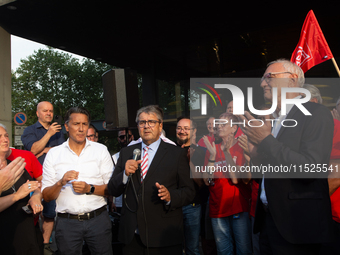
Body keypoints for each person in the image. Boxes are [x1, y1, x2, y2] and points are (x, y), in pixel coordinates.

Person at [238, 59, 334, 254]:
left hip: (297, 225)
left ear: (291, 80)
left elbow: (310, 169)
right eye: (263, 79)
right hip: (268, 222)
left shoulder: (316, 113)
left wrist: (266, 140)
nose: (262, 83)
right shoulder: (275, 120)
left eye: (269, 77)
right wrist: (255, 154)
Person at [107, 105, 195, 255]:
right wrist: (124, 175)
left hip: (164, 236)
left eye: (151, 122)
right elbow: (112, 189)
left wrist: (170, 197)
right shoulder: (126, 152)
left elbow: (189, 192)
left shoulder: (176, 154)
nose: (146, 126)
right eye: (142, 122)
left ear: (160, 125)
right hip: (132, 238)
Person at [41, 106, 114, 255]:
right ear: (66, 126)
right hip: (67, 223)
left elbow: (112, 189)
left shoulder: (100, 150)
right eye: (76, 124)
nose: (81, 129)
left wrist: (90, 189)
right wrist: (60, 182)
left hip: (98, 220)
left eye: (84, 124)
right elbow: (47, 196)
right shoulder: (54, 154)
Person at [203, 112, 252, 255]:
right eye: (217, 125)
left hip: (238, 207)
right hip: (217, 207)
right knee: (223, 251)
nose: (219, 127)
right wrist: (212, 157)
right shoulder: (212, 148)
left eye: (223, 124)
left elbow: (237, 179)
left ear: (234, 128)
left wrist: (227, 153)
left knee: (244, 250)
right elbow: (207, 181)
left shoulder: (242, 147)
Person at [21, 101, 65, 254]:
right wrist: (48, 135)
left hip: (52, 178)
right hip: (33, 179)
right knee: (32, 213)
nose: (49, 113)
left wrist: (45, 150)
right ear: (37, 113)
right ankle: (33, 242)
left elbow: (62, 153)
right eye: (45, 110)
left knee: (49, 213)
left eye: (51, 111)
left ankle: (45, 245)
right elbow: (32, 151)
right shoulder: (30, 130)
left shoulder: (59, 131)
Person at [303, 84, 340, 254]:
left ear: (314, 102)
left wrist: (311, 204)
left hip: (330, 215)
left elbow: (336, 174)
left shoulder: (334, 127)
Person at [0, 123, 43, 254]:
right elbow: (20, 193)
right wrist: (17, 196)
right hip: (5, 238)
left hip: (26, 232)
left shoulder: (14, 165)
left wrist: (35, 197)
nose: (5, 139)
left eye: (6, 135)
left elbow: (36, 185)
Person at [176, 116, 202, 255]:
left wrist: (190, 161)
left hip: (192, 207)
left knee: (193, 248)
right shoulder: (171, 151)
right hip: (173, 206)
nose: (182, 131)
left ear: (194, 131)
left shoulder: (201, 152)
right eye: (179, 128)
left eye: (186, 128)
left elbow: (201, 183)